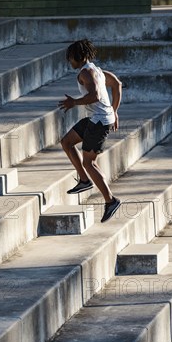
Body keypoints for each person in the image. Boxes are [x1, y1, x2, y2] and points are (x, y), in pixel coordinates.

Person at [58, 39, 122, 223]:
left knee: (89, 163)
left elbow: (94, 95)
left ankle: (111, 200)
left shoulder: (86, 73)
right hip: (96, 118)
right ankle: (85, 181)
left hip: (99, 122)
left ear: (78, 57)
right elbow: (117, 84)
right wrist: (114, 111)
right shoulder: (97, 70)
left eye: (70, 58)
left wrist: (74, 102)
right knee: (67, 142)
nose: (69, 61)